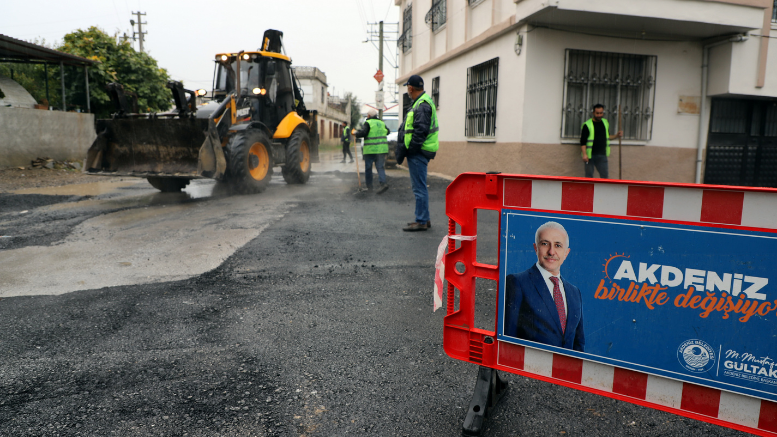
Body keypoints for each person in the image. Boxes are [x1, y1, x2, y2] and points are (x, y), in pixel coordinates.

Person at [503, 221, 585, 352]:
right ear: (536, 248)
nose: (551, 251)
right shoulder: (517, 282)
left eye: (558, 245)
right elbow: (508, 336)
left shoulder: (575, 292)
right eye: (545, 244)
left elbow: (578, 344)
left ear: (566, 253)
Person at [397, 75, 438, 232]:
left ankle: (421, 220)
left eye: (407, 87)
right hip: (420, 151)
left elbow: (420, 131)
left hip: (418, 152)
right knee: (420, 186)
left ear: (410, 88)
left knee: (419, 188)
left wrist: (411, 150)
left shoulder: (421, 104)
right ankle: (424, 218)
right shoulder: (421, 102)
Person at [580, 104, 623, 179]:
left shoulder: (605, 123)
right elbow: (583, 141)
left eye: (601, 113)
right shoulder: (587, 125)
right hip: (590, 156)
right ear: (593, 113)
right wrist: (584, 154)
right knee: (589, 177)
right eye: (597, 113)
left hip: (602, 155)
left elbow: (608, 137)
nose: (599, 115)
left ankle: (604, 190)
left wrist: (617, 135)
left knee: (605, 177)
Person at [353, 108, 390, 194]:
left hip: (371, 150)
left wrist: (356, 133)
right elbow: (388, 132)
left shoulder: (368, 122)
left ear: (369, 115)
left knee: (368, 168)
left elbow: (364, 133)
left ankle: (370, 188)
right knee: (380, 167)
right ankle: (383, 184)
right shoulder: (381, 123)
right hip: (381, 149)